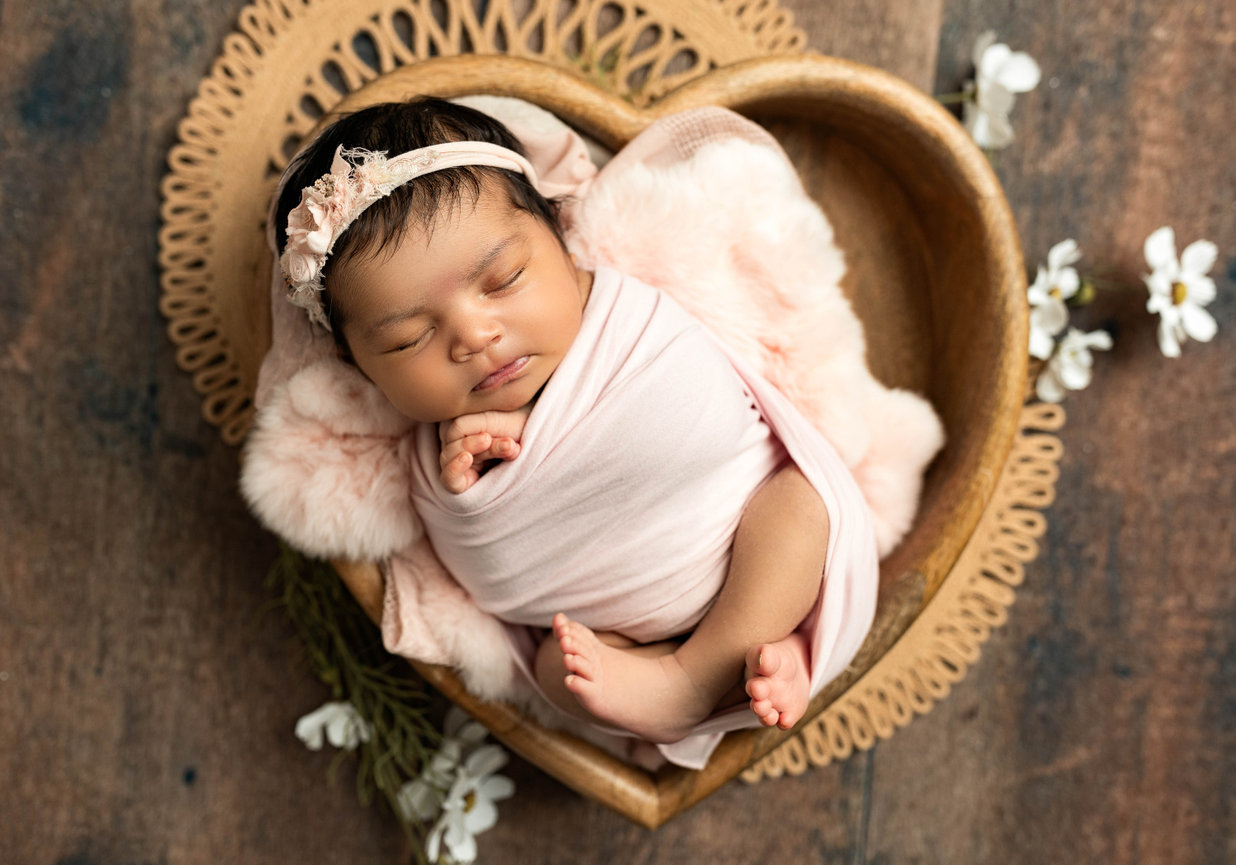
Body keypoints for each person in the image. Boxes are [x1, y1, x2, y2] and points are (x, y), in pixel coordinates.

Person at [271, 97, 878, 747]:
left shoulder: (631, 318)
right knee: (556, 666)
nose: (475, 336)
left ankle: (702, 671)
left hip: (745, 544)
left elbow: (710, 416)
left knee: (800, 504)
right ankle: (736, 662)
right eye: (408, 338)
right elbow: (492, 584)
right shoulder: (434, 460)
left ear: (560, 235)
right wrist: (469, 498)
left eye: (502, 279)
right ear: (359, 366)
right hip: (618, 642)